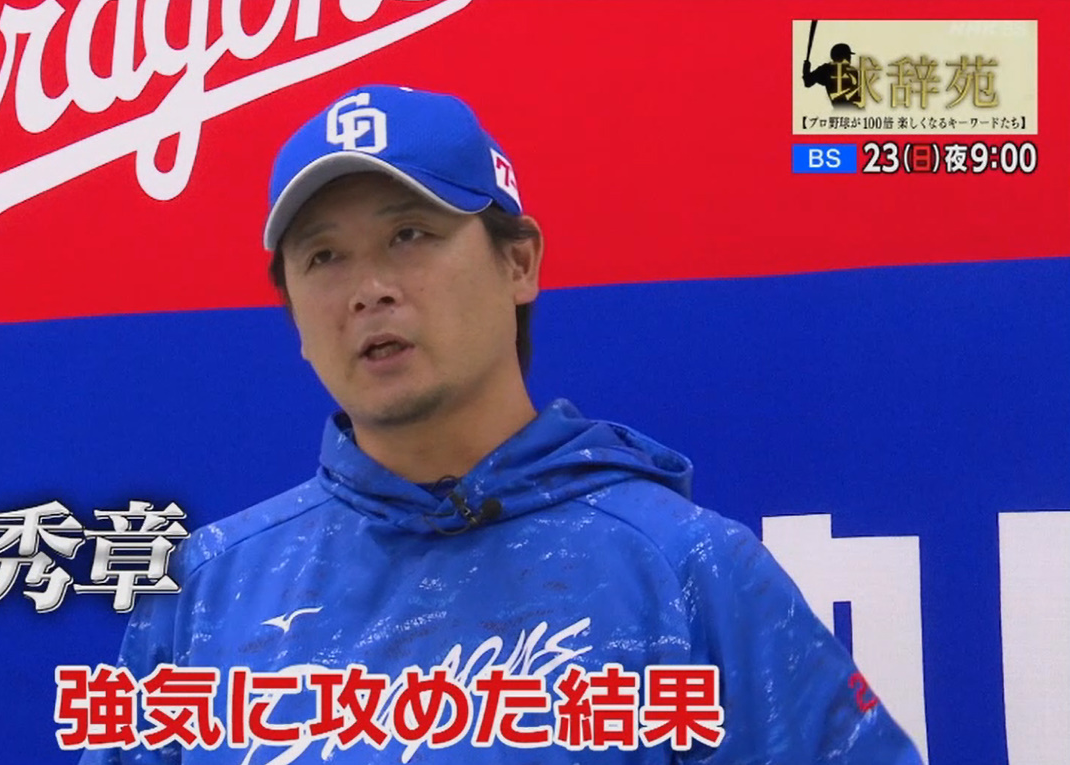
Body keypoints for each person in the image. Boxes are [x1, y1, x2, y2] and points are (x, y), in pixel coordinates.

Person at [80, 85, 922, 763]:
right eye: (324, 256)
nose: (369, 289)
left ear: (519, 262)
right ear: (294, 315)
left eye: (410, 234)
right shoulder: (207, 590)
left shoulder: (686, 568)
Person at [803, 43, 863, 108]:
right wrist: (806, 70)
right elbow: (808, 82)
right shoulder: (827, 69)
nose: (849, 58)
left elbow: (808, 82)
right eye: (847, 56)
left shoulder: (826, 69)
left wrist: (806, 70)